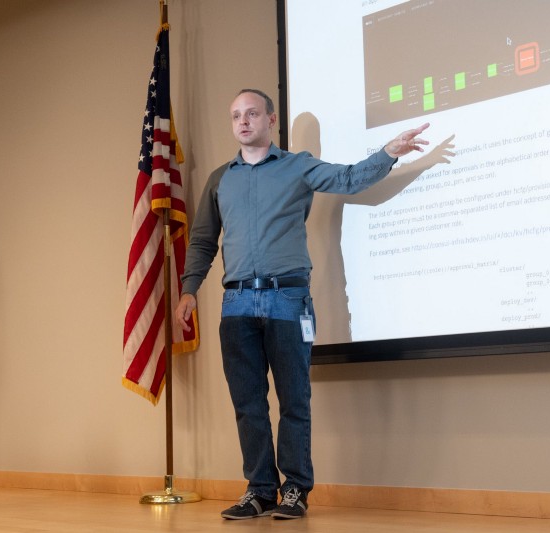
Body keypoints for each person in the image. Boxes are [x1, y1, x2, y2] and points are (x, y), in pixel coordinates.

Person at [175, 88, 429, 520]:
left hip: (288, 300)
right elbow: (202, 240)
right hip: (236, 302)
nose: (243, 121)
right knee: (248, 403)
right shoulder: (221, 179)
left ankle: (295, 489)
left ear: (270, 120)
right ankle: (259, 490)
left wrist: (388, 152)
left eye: (252, 113)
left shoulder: (298, 166)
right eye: (236, 115)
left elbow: (349, 179)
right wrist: (188, 289)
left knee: (295, 399)